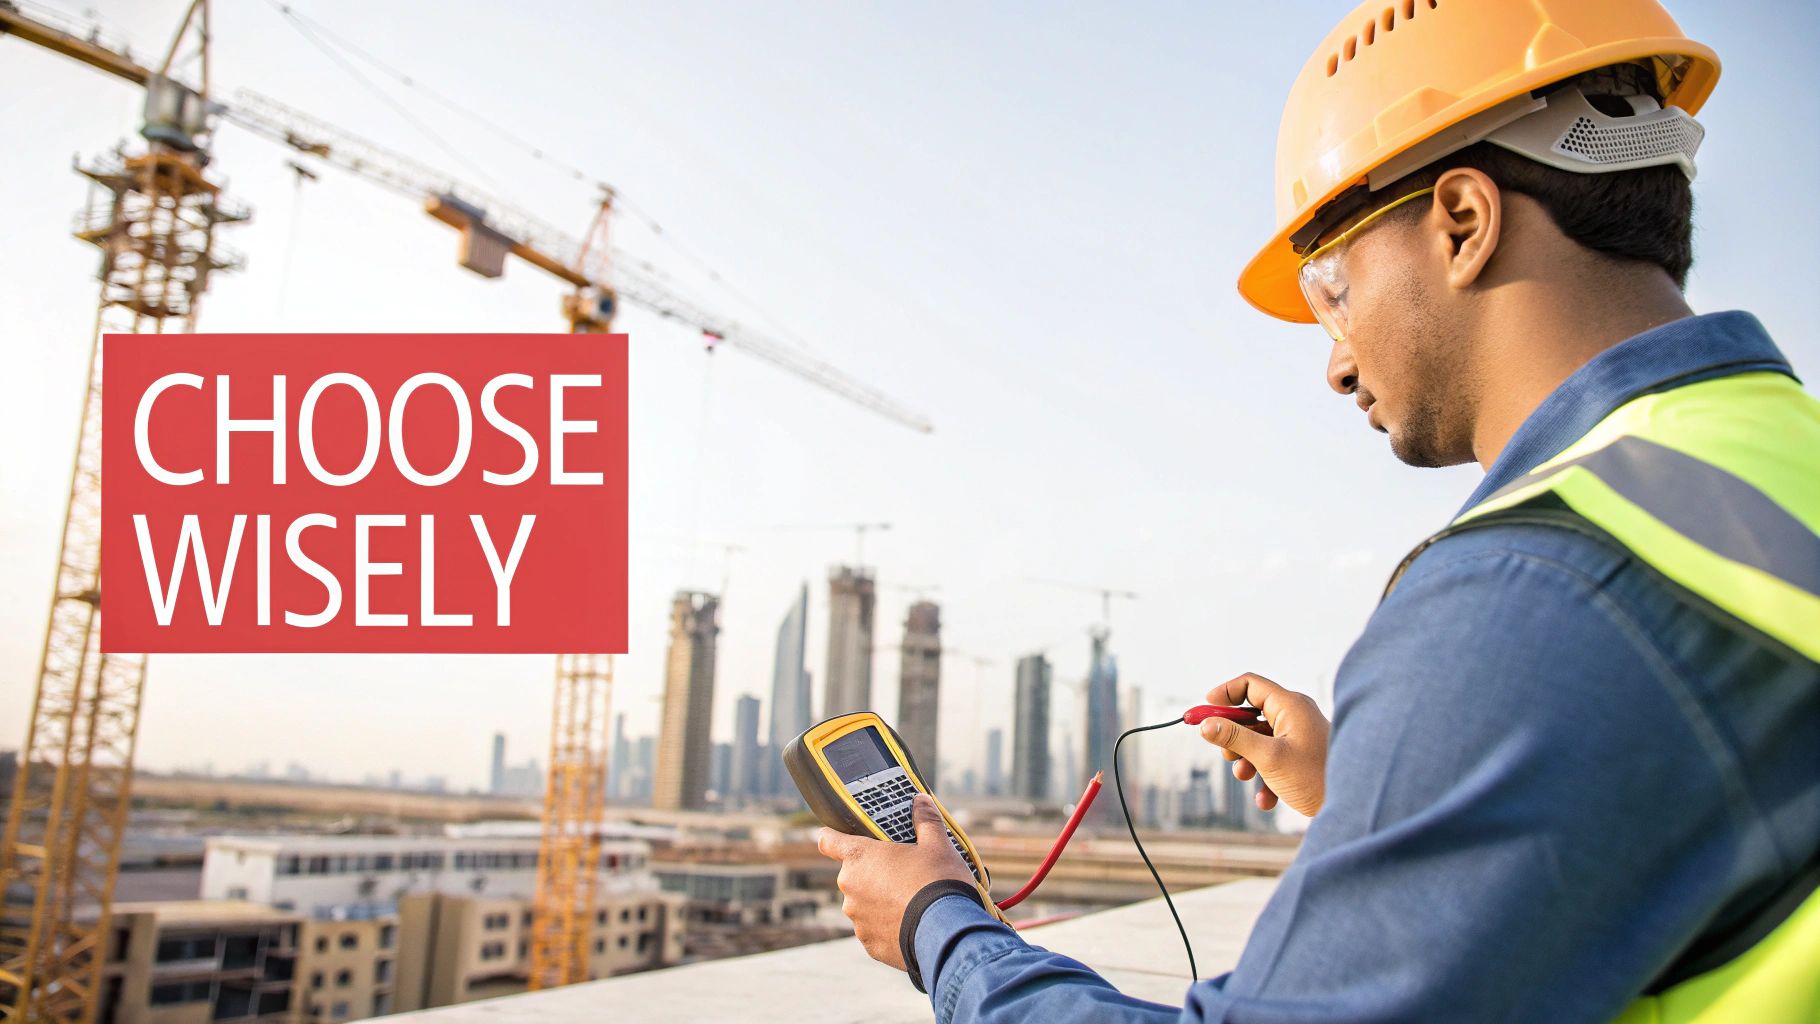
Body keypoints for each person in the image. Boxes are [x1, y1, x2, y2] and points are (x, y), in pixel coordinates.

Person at [815, 1, 1820, 1020]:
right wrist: (1383, 801)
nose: (1335, 364)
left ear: (1463, 223)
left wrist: (937, 921)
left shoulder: (1529, 589)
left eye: (1332, 289)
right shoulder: (1770, 448)